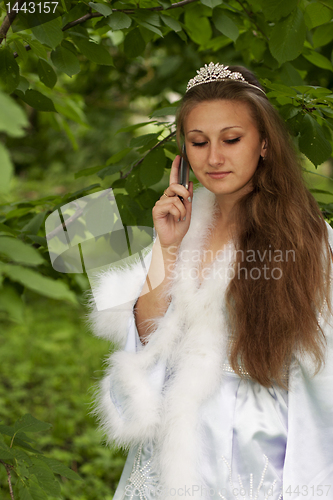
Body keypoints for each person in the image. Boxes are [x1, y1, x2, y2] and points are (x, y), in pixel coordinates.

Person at [89, 63, 333, 500]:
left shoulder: (310, 238)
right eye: (199, 143)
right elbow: (147, 336)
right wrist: (167, 247)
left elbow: (325, 366)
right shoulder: (184, 222)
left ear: (263, 143)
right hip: (175, 433)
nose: (214, 158)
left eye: (231, 139)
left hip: (258, 442)